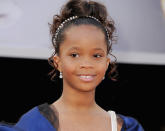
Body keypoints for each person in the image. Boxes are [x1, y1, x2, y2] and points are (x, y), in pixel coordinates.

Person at [0, 0, 144, 130]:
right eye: (74, 55)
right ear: (58, 62)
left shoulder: (124, 127)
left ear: (106, 63)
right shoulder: (36, 124)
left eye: (96, 55)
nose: (86, 64)